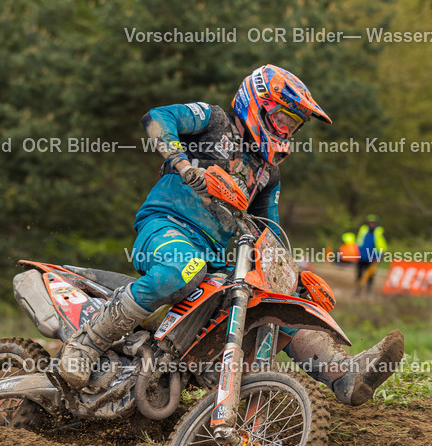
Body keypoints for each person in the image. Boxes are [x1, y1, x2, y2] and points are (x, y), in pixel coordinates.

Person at [59, 65, 404, 406]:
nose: (287, 130)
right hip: (165, 226)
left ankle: (343, 374)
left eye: (294, 125)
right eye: (283, 119)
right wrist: (184, 165)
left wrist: (295, 279)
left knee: (277, 298)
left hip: (213, 257)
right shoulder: (214, 121)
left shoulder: (268, 173)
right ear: (259, 104)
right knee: (184, 268)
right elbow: (159, 116)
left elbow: (269, 233)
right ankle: (87, 343)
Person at [355, 214, 387, 294]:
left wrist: (378, 256)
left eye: (373, 223)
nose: (371, 224)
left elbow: (381, 246)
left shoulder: (379, 232)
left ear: (376, 224)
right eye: (370, 223)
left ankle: (368, 290)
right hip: (362, 256)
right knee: (359, 273)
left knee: (370, 274)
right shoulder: (363, 231)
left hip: (372, 257)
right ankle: (358, 289)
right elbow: (358, 243)